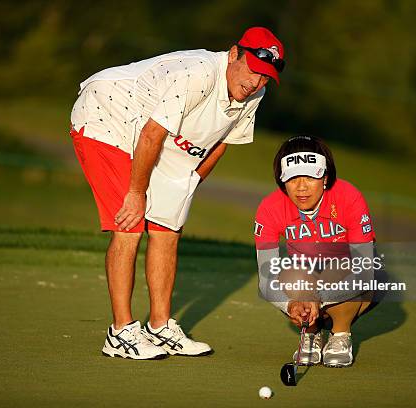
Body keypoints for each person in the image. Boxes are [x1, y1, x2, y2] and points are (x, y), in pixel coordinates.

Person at [70, 27, 285, 359]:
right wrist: (137, 192)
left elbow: (221, 143)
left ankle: (159, 327)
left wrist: (190, 183)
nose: (256, 82)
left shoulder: (253, 95)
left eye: (265, 77)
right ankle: (120, 333)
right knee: (129, 223)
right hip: (106, 114)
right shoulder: (196, 75)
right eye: (253, 70)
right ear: (233, 55)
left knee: (168, 227)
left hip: (150, 130)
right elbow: (152, 135)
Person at [254, 135, 381, 367]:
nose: (301, 187)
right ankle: (310, 334)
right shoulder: (269, 208)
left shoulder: (349, 197)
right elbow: (266, 279)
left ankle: (340, 335)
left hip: (350, 278)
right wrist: (291, 305)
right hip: (307, 280)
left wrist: (318, 299)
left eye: (310, 177)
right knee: (290, 276)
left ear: (325, 177)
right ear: (283, 181)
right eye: (292, 178)